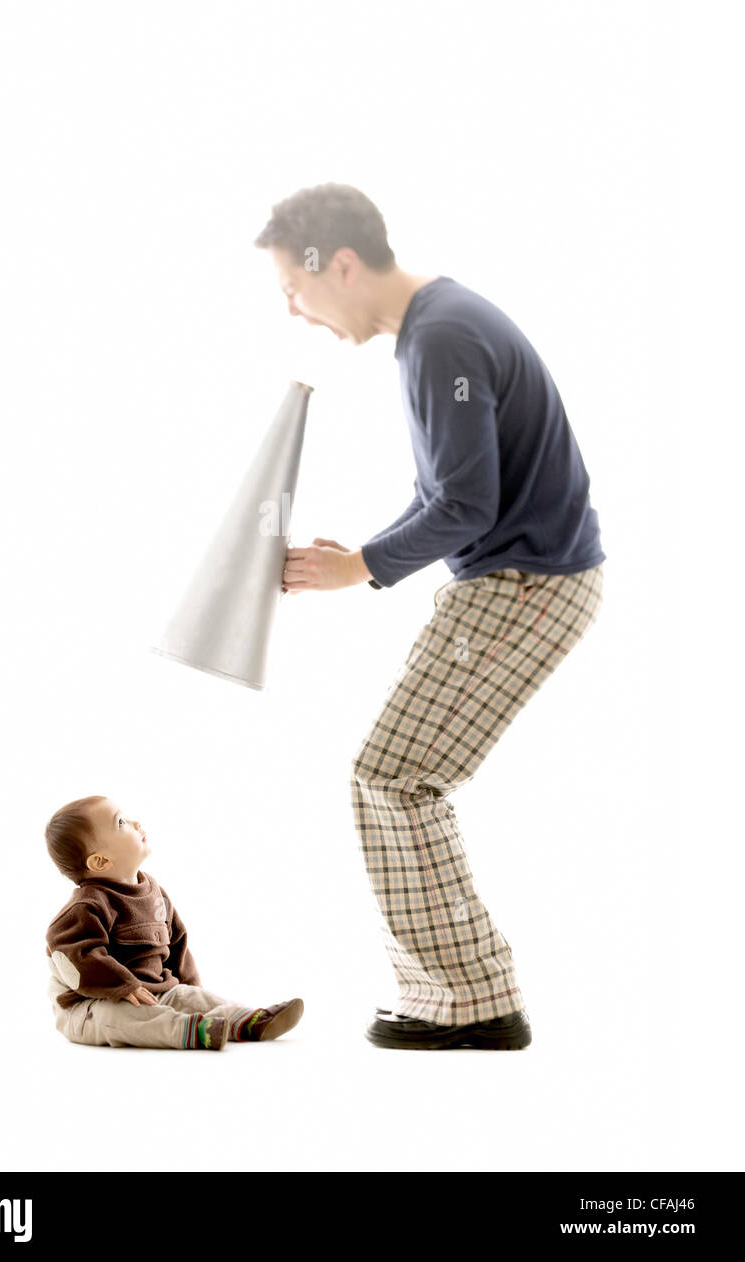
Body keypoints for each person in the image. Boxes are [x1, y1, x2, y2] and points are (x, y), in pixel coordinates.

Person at [254, 183, 605, 1050]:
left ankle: (473, 1001)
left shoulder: (441, 334)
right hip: (522, 581)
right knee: (398, 776)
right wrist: (362, 554)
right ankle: (463, 993)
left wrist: (358, 568)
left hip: (524, 586)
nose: (296, 313)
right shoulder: (439, 325)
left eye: (292, 293)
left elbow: (467, 506)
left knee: (393, 778)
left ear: (337, 264)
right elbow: (456, 494)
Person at [44, 793, 303, 1050]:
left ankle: (246, 1021)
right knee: (120, 1018)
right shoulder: (87, 906)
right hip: (92, 1005)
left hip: (154, 990)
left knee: (195, 999)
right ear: (100, 861)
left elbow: (177, 942)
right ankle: (194, 1030)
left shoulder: (154, 892)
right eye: (120, 823)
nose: (135, 823)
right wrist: (121, 985)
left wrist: (191, 989)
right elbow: (70, 953)